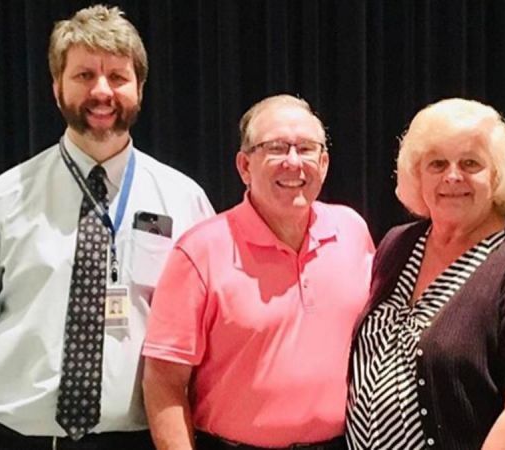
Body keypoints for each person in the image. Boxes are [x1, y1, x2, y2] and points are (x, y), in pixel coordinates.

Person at [0, 5, 214, 449]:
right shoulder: (4, 197)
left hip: (131, 440)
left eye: (117, 76)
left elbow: (207, 341)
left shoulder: (185, 200)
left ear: (140, 89)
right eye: (84, 75)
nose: (102, 91)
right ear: (56, 87)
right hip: (8, 437)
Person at [142, 94, 375, 450]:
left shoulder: (352, 231)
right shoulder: (199, 251)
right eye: (276, 148)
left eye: (307, 149)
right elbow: (163, 382)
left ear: (324, 163)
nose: (294, 162)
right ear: (244, 166)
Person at [345, 98, 505, 450]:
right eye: (437, 163)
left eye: (470, 163)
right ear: (416, 174)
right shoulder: (398, 244)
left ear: (498, 175)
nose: (452, 176)